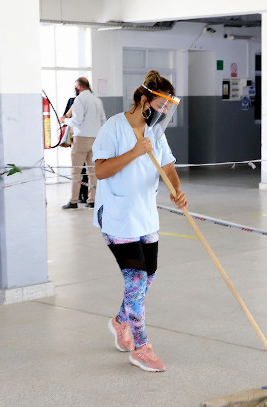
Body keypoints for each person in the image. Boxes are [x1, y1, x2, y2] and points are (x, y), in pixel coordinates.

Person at [92, 70, 187, 372]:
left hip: (146, 216)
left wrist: (176, 189)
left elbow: (168, 164)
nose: (164, 114)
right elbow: (101, 171)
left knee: (149, 278)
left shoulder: (155, 132)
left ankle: (120, 321)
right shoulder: (114, 128)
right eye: (161, 107)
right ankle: (142, 347)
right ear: (145, 101)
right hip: (118, 218)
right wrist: (134, 152)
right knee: (136, 282)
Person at [60, 77, 106, 209]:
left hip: (81, 139)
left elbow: (77, 121)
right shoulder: (97, 100)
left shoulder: (79, 99)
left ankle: (73, 201)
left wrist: (64, 120)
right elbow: (103, 121)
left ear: (79, 86)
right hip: (96, 139)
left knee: (76, 171)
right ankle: (92, 200)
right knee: (92, 172)